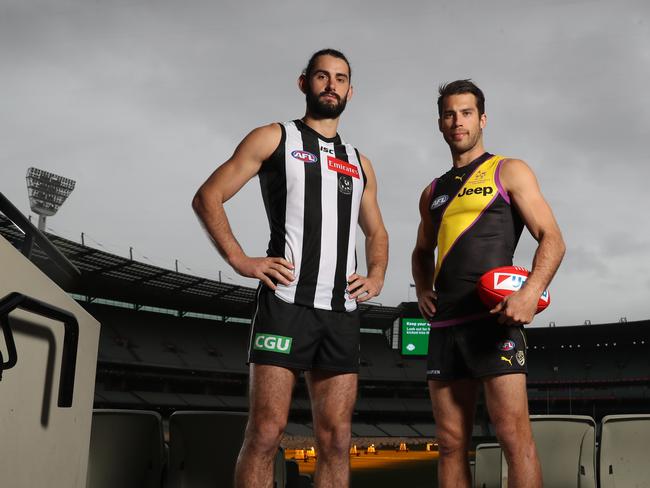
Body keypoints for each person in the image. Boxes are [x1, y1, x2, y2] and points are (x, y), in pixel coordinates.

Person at [193, 48, 388, 488]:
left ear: (350, 91)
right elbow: (208, 197)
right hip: (286, 304)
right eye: (322, 76)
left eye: (340, 78)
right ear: (304, 83)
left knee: (337, 439)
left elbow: (377, 232)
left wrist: (376, 275)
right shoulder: (273, 137)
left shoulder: (360, 162)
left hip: (341, 313)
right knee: (265, 432)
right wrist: (240, 259)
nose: (331, 85)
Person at [411, 80, 565, 488]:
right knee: (449, 444)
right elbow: (421, 250)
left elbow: (553, 237)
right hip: (445, 325)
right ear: (440, 124)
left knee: (515, 440)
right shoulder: (432, 192)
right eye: (449, 114)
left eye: (465, 113)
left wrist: (530, 292)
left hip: (493, 321)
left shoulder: (509, 170)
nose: (457, 121)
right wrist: (423, 287)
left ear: (482, 119)